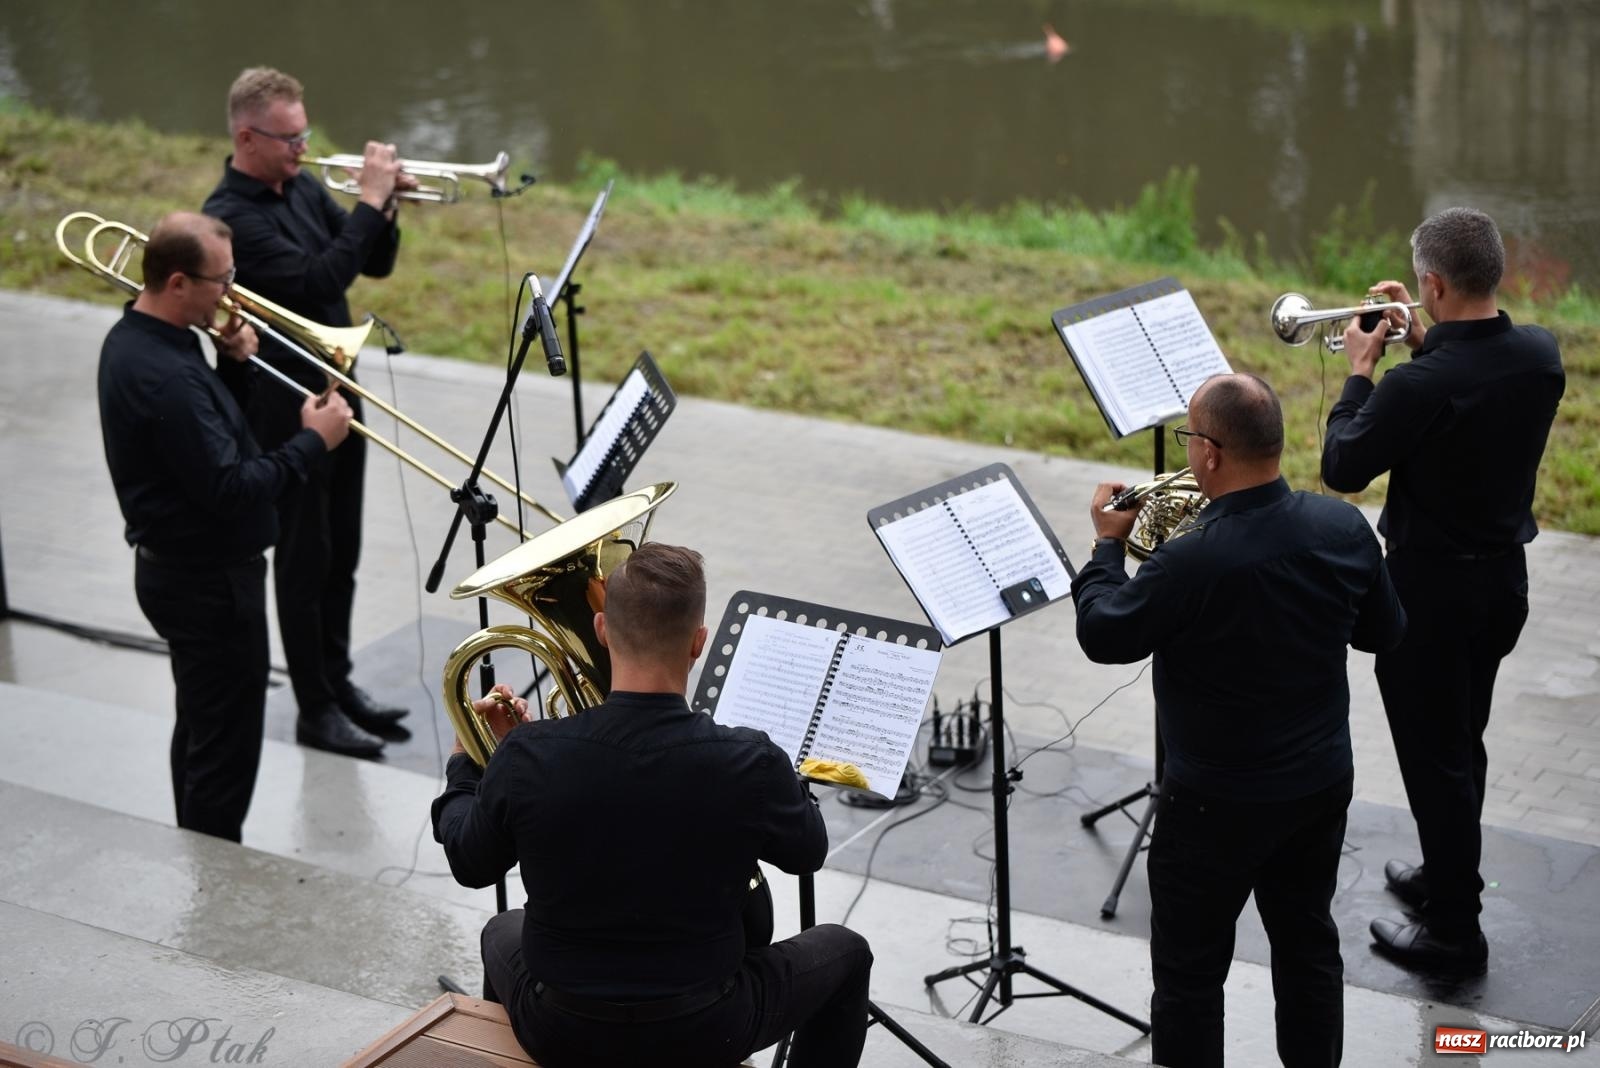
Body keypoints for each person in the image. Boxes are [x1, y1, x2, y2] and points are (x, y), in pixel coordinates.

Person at [1073, 373, 1406, 1068]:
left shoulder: (1190, 560)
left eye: (1190, 439)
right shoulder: (1342, 527)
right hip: (1317, 784)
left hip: (1211, 803)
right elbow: (1385, 632)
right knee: (1308, 946)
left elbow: (1104, 633)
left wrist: (1107, 546)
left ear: (1210, 453)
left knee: (1190, 978)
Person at [432, 544, 873, 1068]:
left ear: (600, 629)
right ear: (699, 642)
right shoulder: (749, 759)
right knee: (847, 951)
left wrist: (471, 761)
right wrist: (784, 778)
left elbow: (470, 863)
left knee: (500, 930)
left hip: (561, 1028)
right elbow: (807, 853)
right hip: (708, 1028)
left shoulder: (528, 753)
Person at [1323, 207, 1566, 972]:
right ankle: (1445, 872)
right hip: (1501, 586)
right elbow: (1469, 381)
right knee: (1462, 743)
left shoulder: (1414, 387)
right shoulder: (1540, 355)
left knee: (1437, 761)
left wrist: (1360, 370)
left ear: (1431, 283)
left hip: (1429, 596)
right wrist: (1425, 338)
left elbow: (1342, 466)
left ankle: (1456, 931)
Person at [98, 212, 353, 842]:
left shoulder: (150, 339)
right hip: (209, 587)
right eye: (222, 280)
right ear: (178, 282)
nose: (232, 293)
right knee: (225, 751)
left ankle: (197, 845)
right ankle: (214, 872)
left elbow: (207, 443)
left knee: (202, 727)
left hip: (187, 575)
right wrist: (312, 442)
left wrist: (234, 367)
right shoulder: (167, 375)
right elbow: (230, 488)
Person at [202, 66, 414, 759]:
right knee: (303, 557)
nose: (304, 148)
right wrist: (368, 199)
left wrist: (385, 207)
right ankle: (314, 709)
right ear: (246, 138)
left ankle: (338, 681)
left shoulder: (298, 186)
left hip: (337, 389)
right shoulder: (231, 218)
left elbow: (370, 263)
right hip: (285, 407)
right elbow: (319, 278)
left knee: (341, 549)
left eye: (305, 134)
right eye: (289, 139)